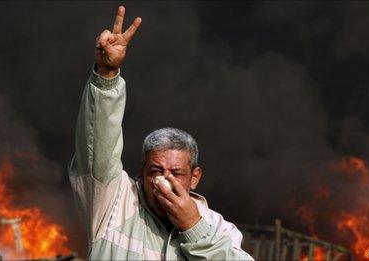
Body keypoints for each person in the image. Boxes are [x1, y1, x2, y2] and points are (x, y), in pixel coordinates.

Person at [69, 6, 254, 260]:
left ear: (194, 177)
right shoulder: (113, 203)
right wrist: (106, 77)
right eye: (155, 171)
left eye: (176, 172)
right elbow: (97, 149)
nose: (164, 181)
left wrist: (193, 227)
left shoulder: (220, 229)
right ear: (142, 172)